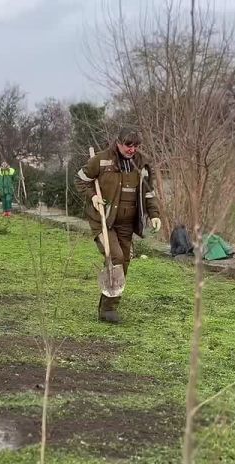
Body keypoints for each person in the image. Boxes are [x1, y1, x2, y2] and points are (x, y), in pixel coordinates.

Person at [75, 127, 162, 323]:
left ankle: (108, 308)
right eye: (128, 145)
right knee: (115, 257)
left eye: (136, 146)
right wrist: (93, 196)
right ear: (118, 143)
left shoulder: (142, 163)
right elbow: (80, 180)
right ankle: (107, 309)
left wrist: (154, 214)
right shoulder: (101, 160)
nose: (132, 149)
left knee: (123, 263)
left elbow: (148, 192)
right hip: (104, 220)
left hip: (127, 224)